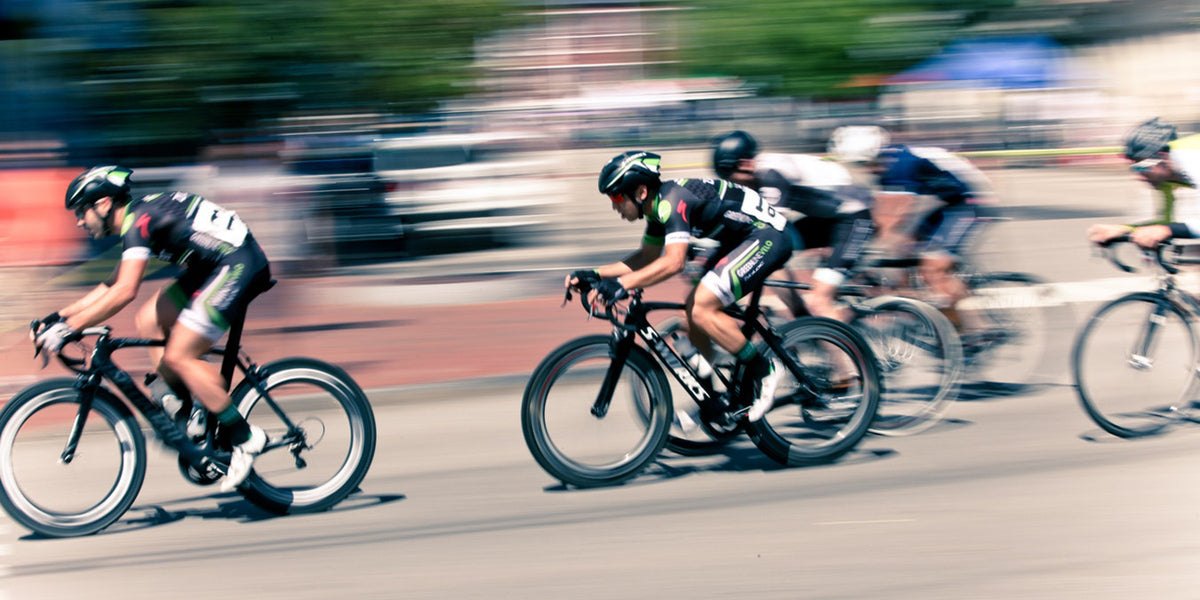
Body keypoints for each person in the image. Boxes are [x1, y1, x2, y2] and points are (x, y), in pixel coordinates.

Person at [31, 165, 271, 492]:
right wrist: (60, 317)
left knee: (179, 356)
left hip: (238, 264)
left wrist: (70, 328)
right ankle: (190, 408)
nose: (78, 221)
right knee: (150, 320)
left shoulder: (139, 220)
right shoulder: (137, 218)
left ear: (103, 204)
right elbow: (111, 284)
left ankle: (245, 437)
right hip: (212, 266)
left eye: (81, 211)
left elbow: (125, 291)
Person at [566, 150, 793, 423]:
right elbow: (646, 257)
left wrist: (621, 285)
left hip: (766, 236)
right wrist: (594, 274)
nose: (614, 205)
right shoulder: (656, 209)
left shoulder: (673, 202)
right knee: (690, 314)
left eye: (616, 196)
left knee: (702, 308)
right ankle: (711, 399)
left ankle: (765, 368)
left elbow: (674, 263)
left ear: (640, 191)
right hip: (737, 239)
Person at [829, 125, 992, 325]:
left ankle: (971, 330)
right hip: (949, 202)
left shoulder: (900, 164)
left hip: (971, 202)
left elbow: (890, 217)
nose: (865, 169)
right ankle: (918, 306)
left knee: (933, 267)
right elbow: (882, 213)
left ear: (875, 152)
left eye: (865, 163)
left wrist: (857, 250)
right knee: (905, 247)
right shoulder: (887, 160)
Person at [712, 130, 875, 322]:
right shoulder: (756, 172)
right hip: (829, 219)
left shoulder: (770, 175)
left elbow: (768, 228)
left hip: (853, 219)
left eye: (731, 177)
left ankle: (847, 345)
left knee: (819, 302)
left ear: (745, 164)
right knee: (771, 259)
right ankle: (804, 319)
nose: (731, 183)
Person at [1087, 118, 1200, 246]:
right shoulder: (1165, 176)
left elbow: (1168, 230)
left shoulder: (1194, 160)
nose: (1138, 176)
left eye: (1142, 167)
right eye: (1133, 168)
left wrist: (1167, 230)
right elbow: (1166, 225)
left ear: (1163, 156)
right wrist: (1125, 229)